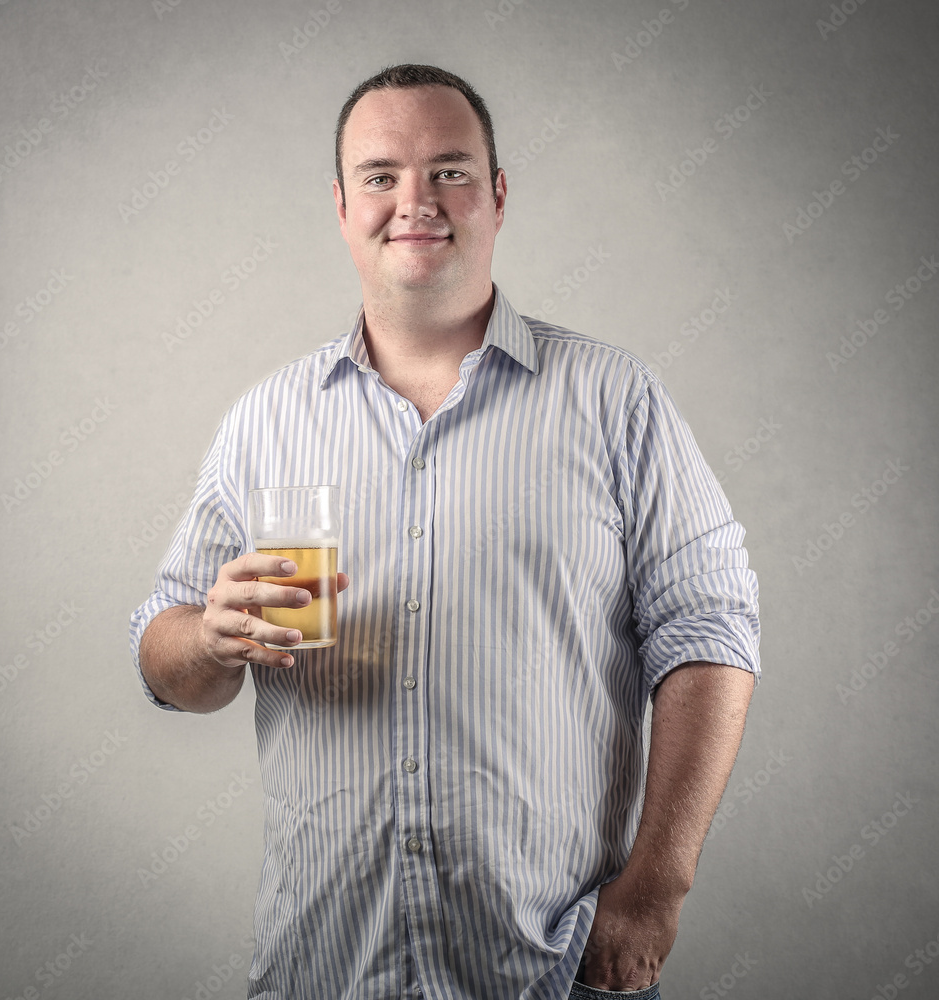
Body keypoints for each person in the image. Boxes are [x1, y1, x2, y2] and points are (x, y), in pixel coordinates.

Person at [130, 64, 760, 1000]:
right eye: (381, 176)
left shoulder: (616, 401)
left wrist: (656, 889)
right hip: (325, 964)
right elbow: (164, 664)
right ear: (342, 206)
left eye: (450, 171)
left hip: (545, 961)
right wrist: (208, 640)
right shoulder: (263, 421)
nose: (414, 200)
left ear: (497, 197)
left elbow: (709, 636)